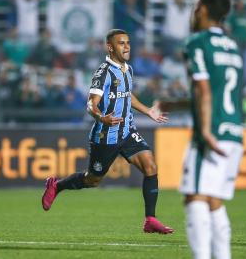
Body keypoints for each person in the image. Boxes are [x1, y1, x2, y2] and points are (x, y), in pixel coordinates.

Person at [41, 29, 174, 234]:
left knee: (150, 166)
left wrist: (148, 111)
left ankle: (150, 219)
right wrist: (102, 117)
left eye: (128, 42)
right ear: (110, 47)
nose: (127, 46)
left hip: (127, 131)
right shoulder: (103, 72)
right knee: (92, 180)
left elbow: (127, 96)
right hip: (106, 134)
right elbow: (90, 104)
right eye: (121, 43)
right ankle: (56, 186)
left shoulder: (127, 69)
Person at [180, 0, 243, 258]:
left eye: (195, 4)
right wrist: (175, 104)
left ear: (203, 9)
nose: (192, 11)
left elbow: (204, 90)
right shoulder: (232, 45)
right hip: (233, 131)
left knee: (195, 196)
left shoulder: (197, 43)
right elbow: (216, 92)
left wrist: (204, 130)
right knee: (214, 200)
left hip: (211, 131)